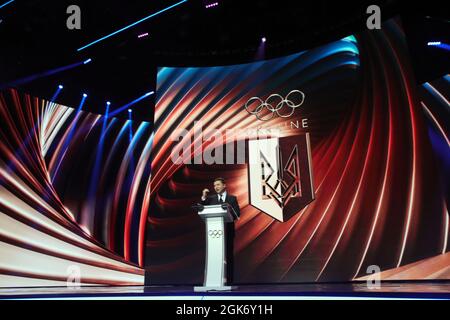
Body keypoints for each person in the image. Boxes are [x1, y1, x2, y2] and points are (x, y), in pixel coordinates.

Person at [201, 177, 240, 285]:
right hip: (214, 234)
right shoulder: (211, 199)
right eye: (214, 185)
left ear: (224, 185)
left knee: (228, 256)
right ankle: (214, 280)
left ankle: (230, 281)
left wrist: (228, 214)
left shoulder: (232, 198)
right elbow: (202, 207)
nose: (216, 187)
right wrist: (204, 197)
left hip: (228, 232)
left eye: (218, 185)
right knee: (215, 255)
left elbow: (237, 214)